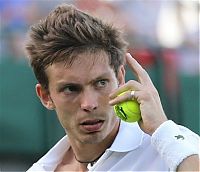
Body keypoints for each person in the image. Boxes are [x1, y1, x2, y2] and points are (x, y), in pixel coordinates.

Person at [25, 4, 199, 172]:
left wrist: (162, 129)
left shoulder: (176, 146)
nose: (89, 104)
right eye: (71, 89)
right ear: (46, 96)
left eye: (101, 83)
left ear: (120, 78)